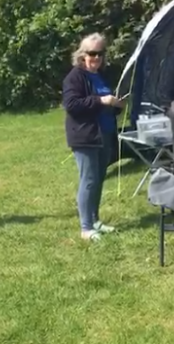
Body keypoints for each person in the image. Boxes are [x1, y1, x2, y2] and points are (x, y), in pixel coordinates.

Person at [62, 33, 125, 242]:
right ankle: (86, 227)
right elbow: (72, 105)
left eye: (100, 53)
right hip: (85, 136)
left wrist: (116, 105)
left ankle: (95, 220)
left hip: (104, 135)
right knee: (88, 180)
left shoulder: (100, 75)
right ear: (82, 55)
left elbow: (105, 105)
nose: (96, 57)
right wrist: (101, 100)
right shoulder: (75, 77)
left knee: (98, 180)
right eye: (92, 53)